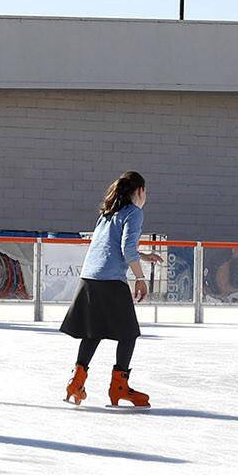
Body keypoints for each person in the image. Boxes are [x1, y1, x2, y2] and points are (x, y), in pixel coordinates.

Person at [60, 171, 163, 407]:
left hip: (89, 278)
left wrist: (144, 256)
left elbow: (111, 246)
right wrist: (140, 278)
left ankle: (76, 382)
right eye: (145, 191)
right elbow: (127, 249)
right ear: (139, 191)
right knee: (128, 334)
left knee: (92, 333)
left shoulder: (107, 215)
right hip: (109, 280)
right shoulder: (134, 213)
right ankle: (120, 387)